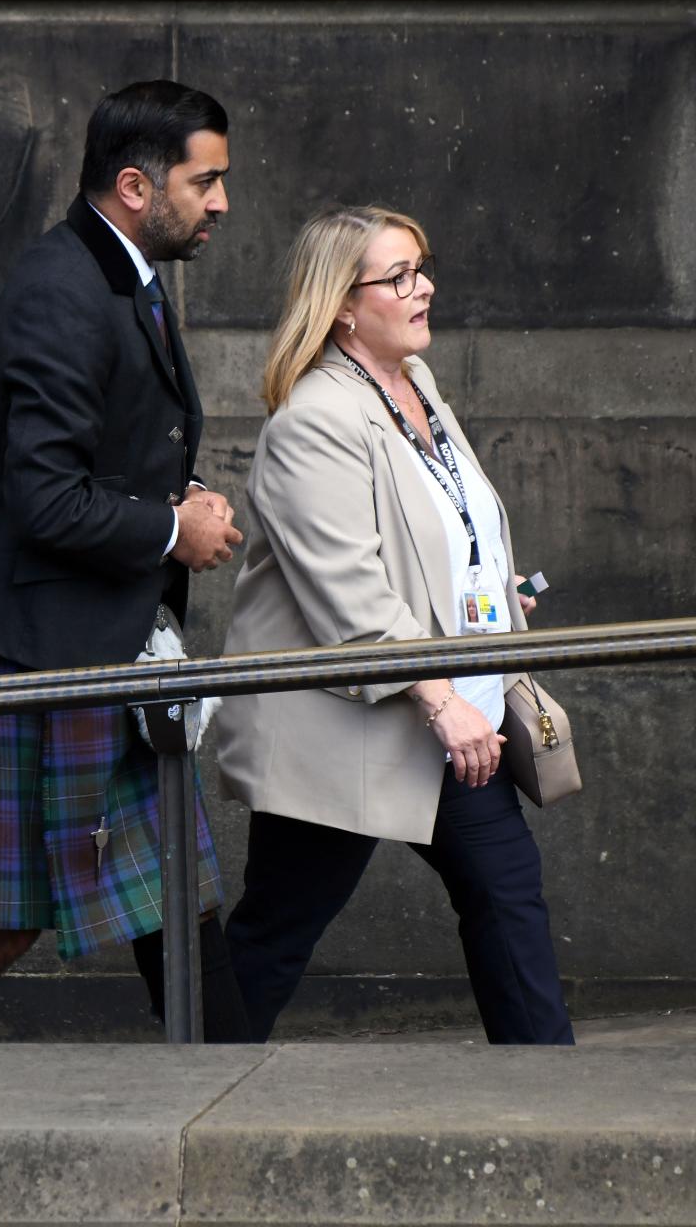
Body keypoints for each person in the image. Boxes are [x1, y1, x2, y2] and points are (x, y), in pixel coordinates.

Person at [0, 79, 250, 1043]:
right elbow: (43, 500)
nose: (223, 203)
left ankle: (231, 1088)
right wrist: (172, 533)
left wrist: (172, 501)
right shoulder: (60, 288)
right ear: (133, 185)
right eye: (207, 182)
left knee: (177, 898)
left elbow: (101, 456)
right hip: (41, 657)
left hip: (96, 646)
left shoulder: (117, 275)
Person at [217, 205, 574, 1046]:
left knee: (507, 891)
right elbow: (349, 591)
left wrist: (486, 590)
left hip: (452, 716)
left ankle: (548, 1097)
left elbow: (440, 527)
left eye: (423, 268)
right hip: (348, 729)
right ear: (343, 303)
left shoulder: (419, 389)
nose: (426, 288)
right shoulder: (313, 421)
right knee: (277, 931)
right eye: (400, 276)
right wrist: (439, 696)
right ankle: (183, 1095)